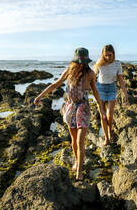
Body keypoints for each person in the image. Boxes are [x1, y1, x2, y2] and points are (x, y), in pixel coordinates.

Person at [34, 47, 105, 181]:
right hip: (70, 108)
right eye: (79, 61)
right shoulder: (69, 71)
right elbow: (56, 84)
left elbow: (95, 91)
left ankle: (79, 170)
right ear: (74, 60)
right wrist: (40, 96)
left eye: (83, 62)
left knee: (80, 141)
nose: (81, 64)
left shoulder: (90, 73)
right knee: (73, 141)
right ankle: (77, 161)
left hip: (83, 108)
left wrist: (100, 106)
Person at [94, 44, 129, 146]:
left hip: (112, 89)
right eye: (106, 55)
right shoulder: (99, 64)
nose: (108, 57)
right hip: (100, 89)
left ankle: (110, 132)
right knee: (103, 116)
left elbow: (121, 81)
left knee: (109, 116)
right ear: (103, 55)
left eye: (110, 55)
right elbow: (92, 78)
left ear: (113, 54)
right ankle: (106, 138)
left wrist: (125, 95)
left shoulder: (117, 64)